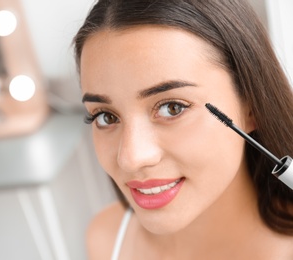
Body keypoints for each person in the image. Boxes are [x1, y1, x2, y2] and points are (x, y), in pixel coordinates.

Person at [73, 0, 293, 259]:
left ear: (252, 107)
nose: (131, 158)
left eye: (172, 108)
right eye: (106, 116)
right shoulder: (106, 238)